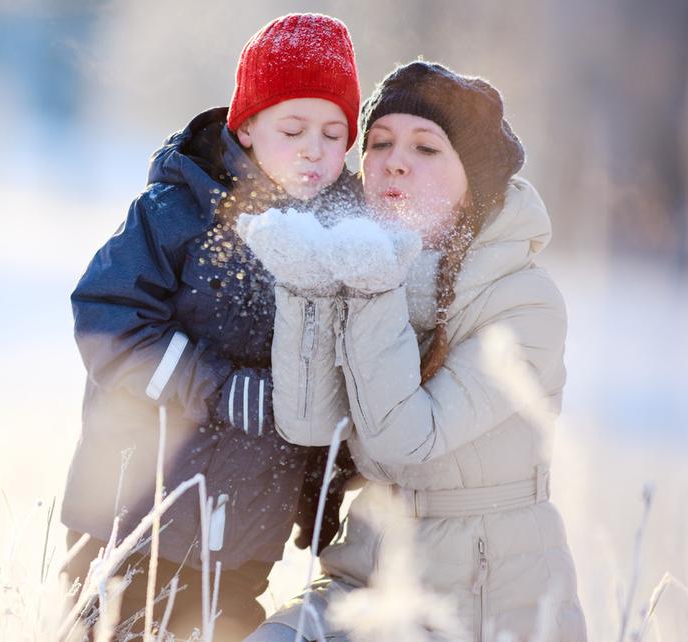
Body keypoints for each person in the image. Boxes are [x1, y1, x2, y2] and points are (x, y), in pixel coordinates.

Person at [244, 61, 588, 641]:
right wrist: (306, 287)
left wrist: (372, 284)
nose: (394, 160)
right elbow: (311, 424)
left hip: (482, 597)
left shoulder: (527, 303)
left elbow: (406, 441)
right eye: (379, 143)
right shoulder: (371, 263)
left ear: (473, 181)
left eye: (426, 148)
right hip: (368, 570)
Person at [60, 13, 363, 641]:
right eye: (293, 127)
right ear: (247, 126)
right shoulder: (181, 208)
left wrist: (321, 487)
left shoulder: (349, 241)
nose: (315, 148)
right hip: (133, 512)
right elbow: (107, 319)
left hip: (246, 534)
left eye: (334, 133)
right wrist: (218, 387)